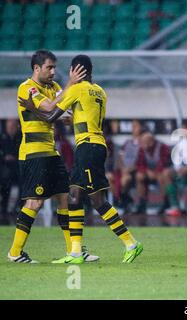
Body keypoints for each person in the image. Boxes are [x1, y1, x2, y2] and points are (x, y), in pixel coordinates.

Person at [19, 54, 143, 263]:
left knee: (97, 200)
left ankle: (131, 242)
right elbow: (78, 118)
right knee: (74, 195)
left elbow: (50, 116)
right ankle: (75, 252)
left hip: (87, 147)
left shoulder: (77, 89)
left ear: (75, 71)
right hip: (96, 145)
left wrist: (30, 107)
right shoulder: (100, 91)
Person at [7, 50, 99, 263]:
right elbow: (49, 107)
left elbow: (56, 112)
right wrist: (70, 84)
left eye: (54, 67)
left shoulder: (54, 87)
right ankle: (15, 252)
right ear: (36, 68)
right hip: (33, 153)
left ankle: (74, 251)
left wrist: (67, 118)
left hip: (51, 152)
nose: (53, 71)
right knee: (34, 203)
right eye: (49, 67)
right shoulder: (27, 87)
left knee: (65, 199)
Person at [134, 131, 172, 214]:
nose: (144, 144)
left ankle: (166, 202)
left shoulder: (162, 147)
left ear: (152, 141)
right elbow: (139, 164)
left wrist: (155, 172)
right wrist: (147, 171)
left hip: (161, 172)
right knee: (139, 176)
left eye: (146, 141)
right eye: (142, 142)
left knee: (163, 176)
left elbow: (165, 163)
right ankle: (142, 204)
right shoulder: (142, 149)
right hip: (148, 173)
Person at [117, 119, 145, 210]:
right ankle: (124, 201)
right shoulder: (127, 142)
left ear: (141, 128)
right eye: (132, 126)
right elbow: (120, 158)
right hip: (125, 170)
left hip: (137, 170)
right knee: (123, 178)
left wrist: (133, 168)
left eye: (135, 126)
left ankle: (135, 203)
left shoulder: (144, 142)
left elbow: (144, 160)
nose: (133, 128)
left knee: (133, 177)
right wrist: (123, 168)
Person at [0, 119, 21, 221]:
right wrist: (4, 157)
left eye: (13, 124)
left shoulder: (19, 137)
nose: (11, 126)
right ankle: (4, 211)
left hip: (17, 168)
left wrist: (15, 157)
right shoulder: (2, 138)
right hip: (4, 169)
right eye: (10, 123)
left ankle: (17, 209)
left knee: (22, 186)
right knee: (5, 187)